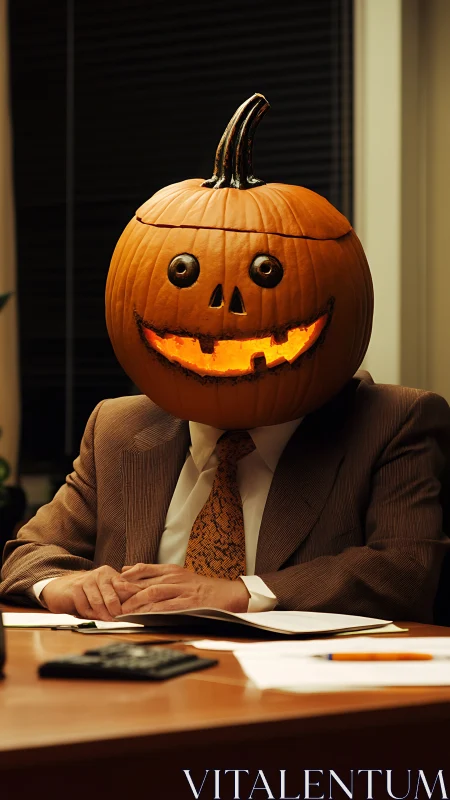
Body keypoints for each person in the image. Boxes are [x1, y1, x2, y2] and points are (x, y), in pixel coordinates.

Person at [2, 95, 450, 622]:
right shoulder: (117, 429)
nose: (222, 304)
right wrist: (62, 584)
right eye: (183, 275)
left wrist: (239, 594)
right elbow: (27, 554)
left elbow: (403, 571)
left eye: (267, 274)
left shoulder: (393, 422)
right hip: (139, 667)